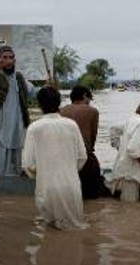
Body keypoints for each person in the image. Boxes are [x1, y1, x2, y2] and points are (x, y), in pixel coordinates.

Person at [22, 87, 88, 230]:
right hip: (72, 187)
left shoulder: (34, 128)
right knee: (75, 235)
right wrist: (69, 171)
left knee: (51, 236)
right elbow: (82, 157)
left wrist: (42, 175)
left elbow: (28, 164)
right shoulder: (72, 125)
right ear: (59, 103)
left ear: (39, 105)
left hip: (47, 188)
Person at [0, 45, 37, 176]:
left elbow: (34, 92)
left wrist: (48, 87)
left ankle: (14, 182)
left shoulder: (19, 78)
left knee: (16, 157)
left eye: (11, 58)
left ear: (14, 60)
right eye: (4, 58)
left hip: (17, 126)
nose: (8, 61)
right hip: (0, 126)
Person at [60, 85, 109, 199]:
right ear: (84, 96)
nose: (89, 102)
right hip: (85, 159)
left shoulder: (61, 111)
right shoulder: (92, 111)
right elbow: (92, 139)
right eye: (89, 99)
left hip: (64, 158)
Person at [106, 101, 140, 202]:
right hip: (133, 173)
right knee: (131, 205)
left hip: (126, 170)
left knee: (129, 206)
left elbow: (113, 129)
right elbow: (133, 150)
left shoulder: (132, 120)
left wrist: (120, 149)